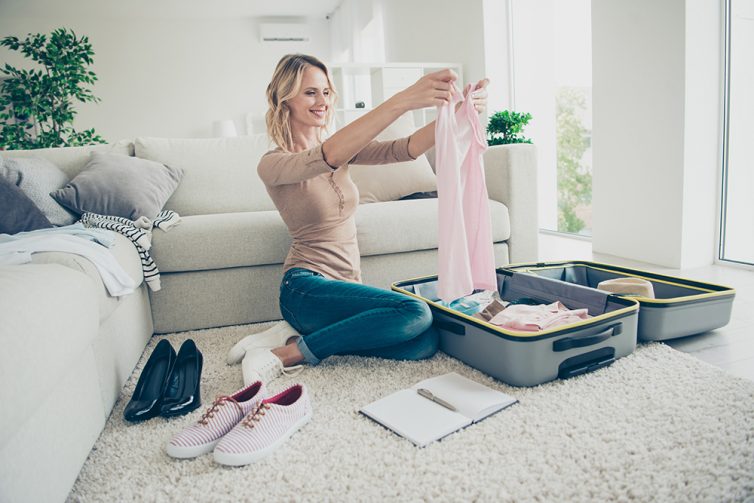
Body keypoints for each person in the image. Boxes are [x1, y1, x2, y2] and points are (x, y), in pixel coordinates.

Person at [239, 53, 489, 384]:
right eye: (311, 92)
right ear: (285, 98)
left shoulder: (340, 147)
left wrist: (461, 112)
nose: (322, 101)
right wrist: (402, 100)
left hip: (345, 287)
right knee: (415, 312)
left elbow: (407, 148)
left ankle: (293, 337)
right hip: (305, 288)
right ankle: (284, 354)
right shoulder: (274, 164)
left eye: (326, 92)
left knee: (423, 342)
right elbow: (327, 157)